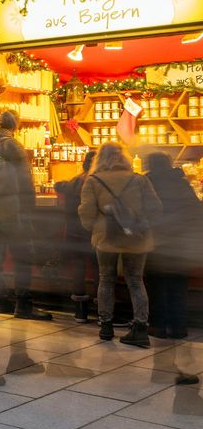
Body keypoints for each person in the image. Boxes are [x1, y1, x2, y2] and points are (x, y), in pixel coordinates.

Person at [78, 143, 162, 347]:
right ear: (124, 158)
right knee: (135, 280)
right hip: (136, 238)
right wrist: (137, 221)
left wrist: (95, 227)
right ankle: (141, 327)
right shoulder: (139, 179)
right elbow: (156, 208)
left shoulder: (94, 181)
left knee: (106, 279)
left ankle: (106, 326)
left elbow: (86, 214)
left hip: (106, 238)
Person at [0, 112, 51, 320]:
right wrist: (29, 209)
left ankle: (1, 301)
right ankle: (24, 304)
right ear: (15, 126)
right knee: (21, 255)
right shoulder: (11, 145)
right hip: (13, 207)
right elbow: (25, 180)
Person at [143, 153, 200, 340]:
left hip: (156, 244)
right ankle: (179, 327)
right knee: (178, 288)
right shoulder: (182, 183)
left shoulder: (147, 184)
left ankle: (158, 326)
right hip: (180, 246)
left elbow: (141, 211)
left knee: (156, 287)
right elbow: (196, 211)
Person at [55, 149, 97, 322]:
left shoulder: (75, 181)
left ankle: (80, 311)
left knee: (78, 268)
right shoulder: (96, 182)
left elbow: (59, 185)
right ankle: (103, 310)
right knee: (99, 270)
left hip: (74, 231)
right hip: (92, 232)